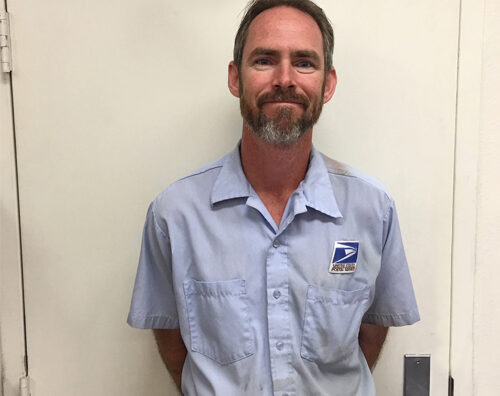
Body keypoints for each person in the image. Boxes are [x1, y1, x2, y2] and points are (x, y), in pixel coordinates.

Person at [127, 0, 420, 395]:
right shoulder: (175, 214)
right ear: (235, 78)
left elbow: (372, 329)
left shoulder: (372, 210)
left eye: (304, 62)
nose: (285, 78)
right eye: (264, 60)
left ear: (328, 83)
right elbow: (171, 336)